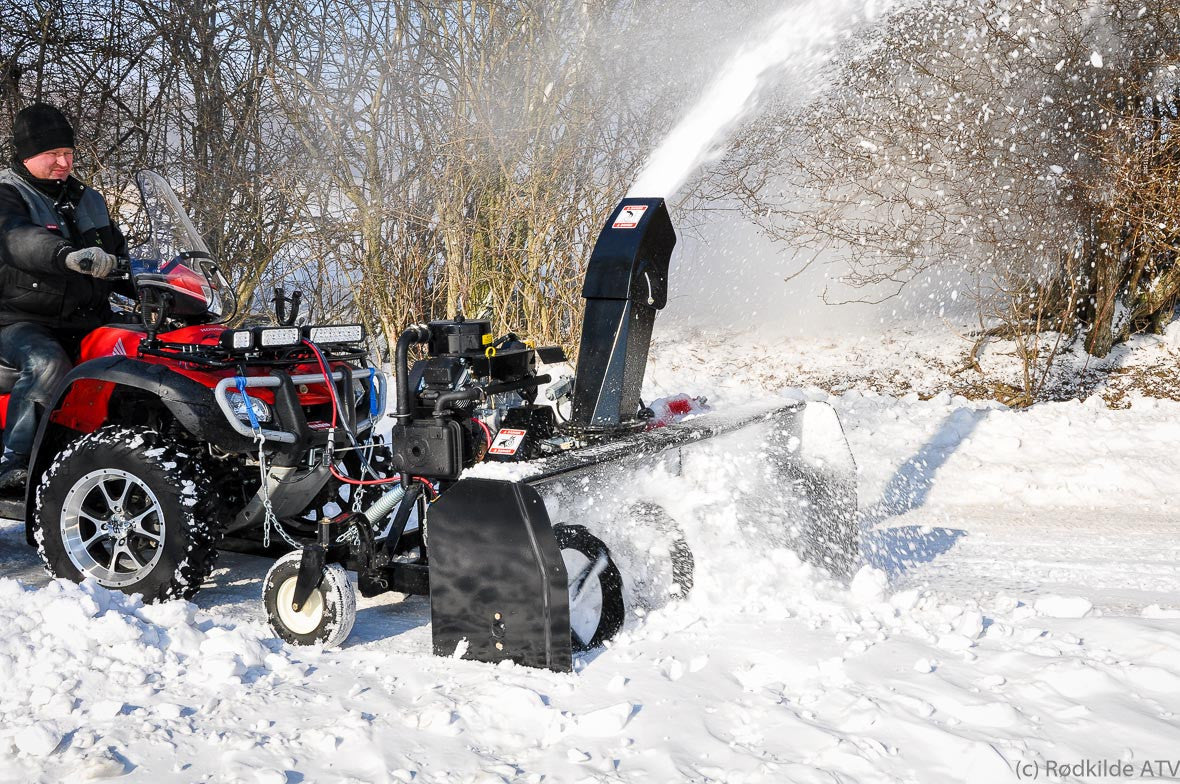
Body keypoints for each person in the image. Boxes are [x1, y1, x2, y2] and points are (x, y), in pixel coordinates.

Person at [0, 103, 128, 491]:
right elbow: (20, 241)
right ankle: (14, 463)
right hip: (19, 320)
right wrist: (66, 255)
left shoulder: (88, 199)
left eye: (68, 153)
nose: (62, 162)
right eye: (52, 154)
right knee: (47, 363)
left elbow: (117, 256)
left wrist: (157, 279)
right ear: (26, 155)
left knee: (148, 353)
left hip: (87, 317)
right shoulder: (8, 194)